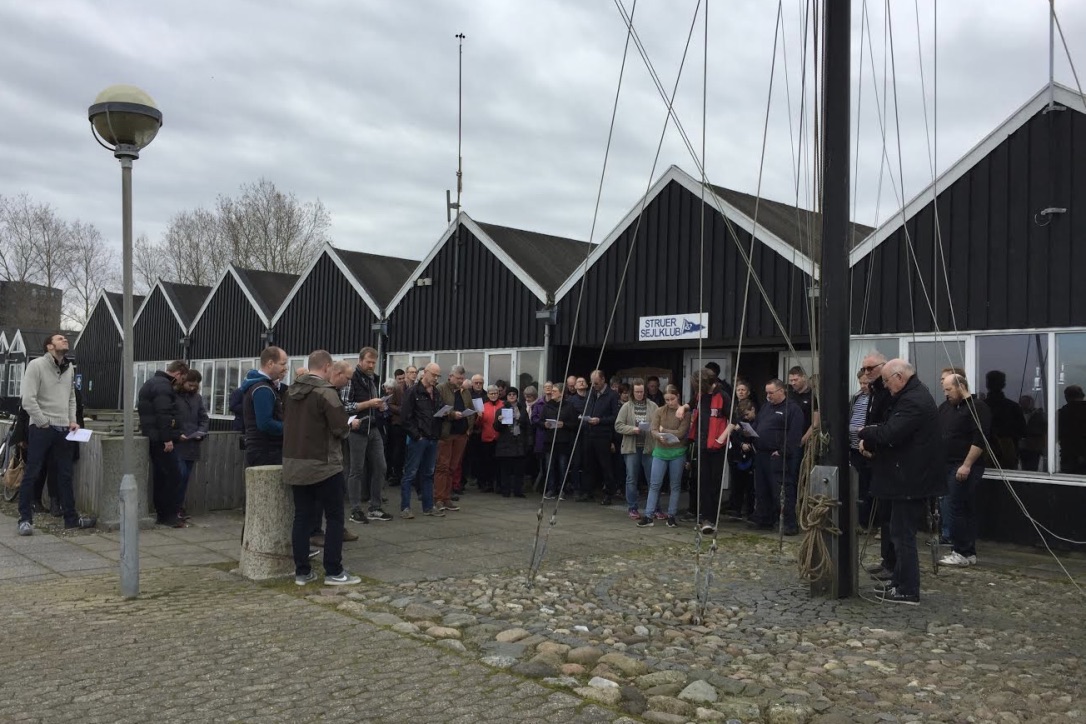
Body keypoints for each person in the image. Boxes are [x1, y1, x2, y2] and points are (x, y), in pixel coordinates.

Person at [859, 360, 946, 605]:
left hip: (911, 479)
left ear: (899, 377)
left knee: (903, 535)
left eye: (887, 381)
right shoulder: (912, 395)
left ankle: (908, 588)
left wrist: (865, 432)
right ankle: (899, 581)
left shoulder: (912, 401)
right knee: (897, 532)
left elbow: (891, 432)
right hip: (906, 478)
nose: (886, 387)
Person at [283, 350, 360, 587]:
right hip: (324, 465)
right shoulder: (326, 393)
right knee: (335, 517)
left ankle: (302, 572)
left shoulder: (290, 392)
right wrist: (350, 425)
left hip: (295, 463)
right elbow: (339, 427)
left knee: (302, 518)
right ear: (327, 367)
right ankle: (333, 571)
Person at [16, 333, 95, 535]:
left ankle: (71, 519)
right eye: (60, 339)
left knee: (65, 475)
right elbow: (27, 399)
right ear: (49, 346)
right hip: (42, 428)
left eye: (65, 338)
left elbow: (71, 398)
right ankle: (25, 519)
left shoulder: (69, 368)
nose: (65, 340)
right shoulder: (36, 366)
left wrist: (72, 421)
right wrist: (43, 422)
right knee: (33, 472)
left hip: (63, 429)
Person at [938, 374, 991, 567]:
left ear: (961, 386)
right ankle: (968, 551)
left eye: (949, 389)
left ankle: (960, 550)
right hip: (947, 463)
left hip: (964, 465)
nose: (946, 394)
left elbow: (980, 439)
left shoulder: (977, 407)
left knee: (956, 507)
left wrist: (967, 464)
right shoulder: (946, 408)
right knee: (961, 507)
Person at [748, 378, 804, 535]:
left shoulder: (792, 409)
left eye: (771, 393)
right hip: (761, 454)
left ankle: (789, 523)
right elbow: (758, 424)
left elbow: (794, 434)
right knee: (762, 489)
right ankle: (764, 518)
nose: (768, 396)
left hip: (778, 455)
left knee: (781, 489)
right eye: (766, 393)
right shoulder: (766, 407)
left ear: (781, 391)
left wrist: (783, 451)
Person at [138, 359, 189, 527]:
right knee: (173, 476)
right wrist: (168, 438)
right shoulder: (164, 387)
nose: (181, 383)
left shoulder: (152, 383)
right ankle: (169, 515)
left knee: (161, 476)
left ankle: (163, 514)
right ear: (178, 373)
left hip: (153, 436)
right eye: (182, 379)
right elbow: (163, 414)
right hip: (161, 439)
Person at [345, 347, 393, 523]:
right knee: (356, 470)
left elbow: (376, 403)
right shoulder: (352, 378)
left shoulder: (375, 379)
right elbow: (345, 406)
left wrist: (382, 406)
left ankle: (375, 506)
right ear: (360, 361)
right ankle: (355, 509)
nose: (372, 365)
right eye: (369, 362)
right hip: (358, 429)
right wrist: (368, 404)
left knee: (381, 467)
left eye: (374, 362)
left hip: (374, 427)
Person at [637, 385, 690, 528]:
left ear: (677, 396)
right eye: (667, 400)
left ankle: (671, 516)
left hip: (677, 451)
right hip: (660, 450)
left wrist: (664, 430)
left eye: (672, 399)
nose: (670, 402)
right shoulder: (660, 411)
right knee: (654, 484)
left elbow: (681, 433)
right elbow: (653, 429)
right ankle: (648, 515)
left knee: (675, 485)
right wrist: (659, 435)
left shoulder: (685, 412)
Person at [688, 370, 731, 535]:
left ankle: (711, 517)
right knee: (702, 481)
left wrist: (722, 438)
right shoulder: (700, 395)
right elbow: (691, 404)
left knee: (715, 482)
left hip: (717, 446)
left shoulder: (723, 396)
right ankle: (705, 516)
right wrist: (683, 408)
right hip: (702, 444)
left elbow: (733, 420)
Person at [400, 362, 445, 518]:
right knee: (410, 472)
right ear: (425, 372)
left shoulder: (436, 392)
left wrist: (445, 414)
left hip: (432, 437)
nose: (436, 378)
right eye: (434, 375)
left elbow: (439, 410)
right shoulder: (413, 392)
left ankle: (428, 506)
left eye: (438, 376)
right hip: (419, 438)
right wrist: (416, 436)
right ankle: (405, 507)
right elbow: (405, 417)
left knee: (428, 473)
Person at [615, 378, 657, 520]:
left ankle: (654, 508)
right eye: (637, 392)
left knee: (652, 479)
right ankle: (632, 507)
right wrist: (632, 429)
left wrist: (652, 428)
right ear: (633, 392)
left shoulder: (653, 406)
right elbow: (618, 425)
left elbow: (658, 423)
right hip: (632, 447)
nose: (639, 394)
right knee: (631, 478)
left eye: (642, 391)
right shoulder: (627, 406)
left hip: (648, 446)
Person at [240, 346, 289, 466]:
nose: (285, 368)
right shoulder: (263, 389)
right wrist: (289, 428)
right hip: (266, 452)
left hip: (262, 450)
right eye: (283, 364)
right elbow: (265, 423)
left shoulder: (260, 385)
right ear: (270, 363)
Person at [174, 368, 209, 522]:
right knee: (179, 476)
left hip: (192, 444)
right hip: (178, 444)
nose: (193, 388)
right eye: (190, 384)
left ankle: (179, 508)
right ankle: (174, 507)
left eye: (196, 385)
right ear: (183, 382)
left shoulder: (198, 399)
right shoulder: (174, 397)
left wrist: (201, 431)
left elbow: (204, 418)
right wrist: (176, 434)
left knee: (185, 477)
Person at [435, 365, 472, 511]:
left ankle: (447, 498)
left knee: (452, 467)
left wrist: (469, 428)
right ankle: (438, 498)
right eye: (458, 378)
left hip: (461, 434)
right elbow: (437, 409)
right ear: (450, 376)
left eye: (462, 379)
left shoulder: (465, 392)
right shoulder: (441, 389)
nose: (460, 381)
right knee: (442, 467)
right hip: (446, 433)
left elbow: (470, 408)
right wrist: (452, 414)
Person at [581, 370, 620, 505]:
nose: (594, 385)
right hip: (589, 433)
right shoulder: (590, 394)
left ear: (603, 380)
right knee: (588, 464)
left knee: (605, 465)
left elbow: (615, 417)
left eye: (596, 383)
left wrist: (600, 420)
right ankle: (588, 491)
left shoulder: (612, 395)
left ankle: (609, 494)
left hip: (603, 435)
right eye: (592, 383)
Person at [983, 370, 1026, 470]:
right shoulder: (1013, 407)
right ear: (1003, 384)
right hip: (1007, 454)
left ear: (987, 384)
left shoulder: (981, 406)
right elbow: (1023, 431)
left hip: (985, 452)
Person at [542, 383, 578, 499]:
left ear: (562, 393)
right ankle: (551, 489)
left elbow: (574, 424)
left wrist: (564, 424)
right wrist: (544, 424)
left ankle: (562, 489)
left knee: (563, 466)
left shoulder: (569, 406)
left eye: (555, 391)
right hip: (549, 440)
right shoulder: (547, 405)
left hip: (563, 441)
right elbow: (539, 421)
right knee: (549, 466)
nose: (551, 392)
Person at [493, 386, 530, 497]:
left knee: (519, 469)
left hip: (519, 441)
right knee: (506, 469)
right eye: (510, 395)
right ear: (506, 396)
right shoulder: (501, 409)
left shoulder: (522, 409)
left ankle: (518, 491)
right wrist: (499, 420)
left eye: (514, 394)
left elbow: (527, 426)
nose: (512, 396)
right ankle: (506, 490)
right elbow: (496, 427)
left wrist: (528, 441)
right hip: (506, 442)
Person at [848, 369, 873, 529]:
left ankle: (868, 522)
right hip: (854, 447)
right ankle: (857, 519)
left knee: (867, 486)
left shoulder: (877, 398)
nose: (863, 386)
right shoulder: (856, 398)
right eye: (861, 383)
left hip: (869, 450)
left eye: (866, 383)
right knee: (856, 485)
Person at [725, 398, 757, 519]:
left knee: (750, 487)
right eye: (744, 415)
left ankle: (750, 511)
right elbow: (733, 436)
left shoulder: (757, 421)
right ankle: (736, 509)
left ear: (753, 409)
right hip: (738, 455)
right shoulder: (739, 421)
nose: (746, 417)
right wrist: (741, 443)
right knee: (737, 484)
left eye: (747, 414)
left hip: (752, 456)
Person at [787, 365, 819, 446]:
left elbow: (815, 423)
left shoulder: (813, 396)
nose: (793, 383)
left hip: (804, 441)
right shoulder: (789, 395)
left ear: (804, 378)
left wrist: (803, 440)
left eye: (795, 380)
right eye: (791, 380)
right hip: (788, 440)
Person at [1058, 385, 1086, 474]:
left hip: (1068, 454)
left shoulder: (1062, 413)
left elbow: (1056, 435)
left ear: (1066, 397)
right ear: (1082, 396)